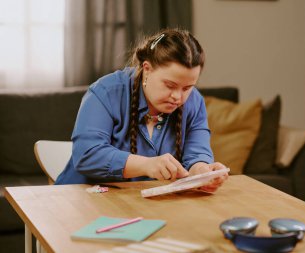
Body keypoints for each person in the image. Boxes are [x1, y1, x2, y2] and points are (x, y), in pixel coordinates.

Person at [55, 28, 228, 192]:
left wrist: (202, 171)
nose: (178, 96)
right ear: (147, 69)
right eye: (170, 85)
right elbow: (87, 155)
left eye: (187, 87)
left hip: (140, 205)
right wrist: (147, 165)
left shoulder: (195, 101)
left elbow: (197, 153)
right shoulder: (106, 92)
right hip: (80, 203)